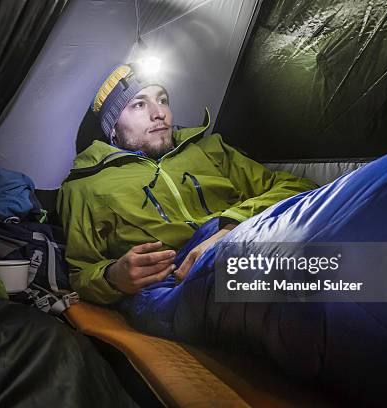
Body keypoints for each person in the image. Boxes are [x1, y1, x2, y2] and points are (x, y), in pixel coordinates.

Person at [57, 64, 317, 304]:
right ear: (112, 128)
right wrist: (114, 277)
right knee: (326, 284)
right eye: (138, 105)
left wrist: (230, 227)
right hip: (172, 285)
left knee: (356, 190)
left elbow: (297, 187)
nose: (159, 114)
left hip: (252, 244)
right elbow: (80, 273)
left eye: (163, 100)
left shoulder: (210, 149)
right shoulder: (85, 186)